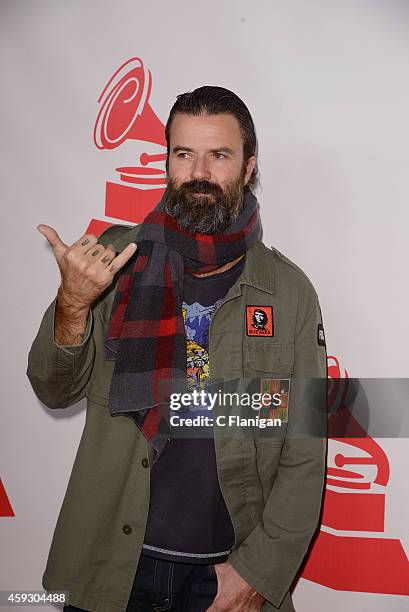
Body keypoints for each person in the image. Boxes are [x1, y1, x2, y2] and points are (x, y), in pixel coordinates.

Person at [27, 86, 328, 612]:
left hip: (227, 575)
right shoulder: (112, 262)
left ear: (249, 167)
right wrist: (72, 304)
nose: (199, 173)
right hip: (111, 568)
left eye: (219, 155)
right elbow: (54, 389)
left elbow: (304, 453)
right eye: (184, 154)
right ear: (167, 160)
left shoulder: (289, 291)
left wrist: (257, 577)